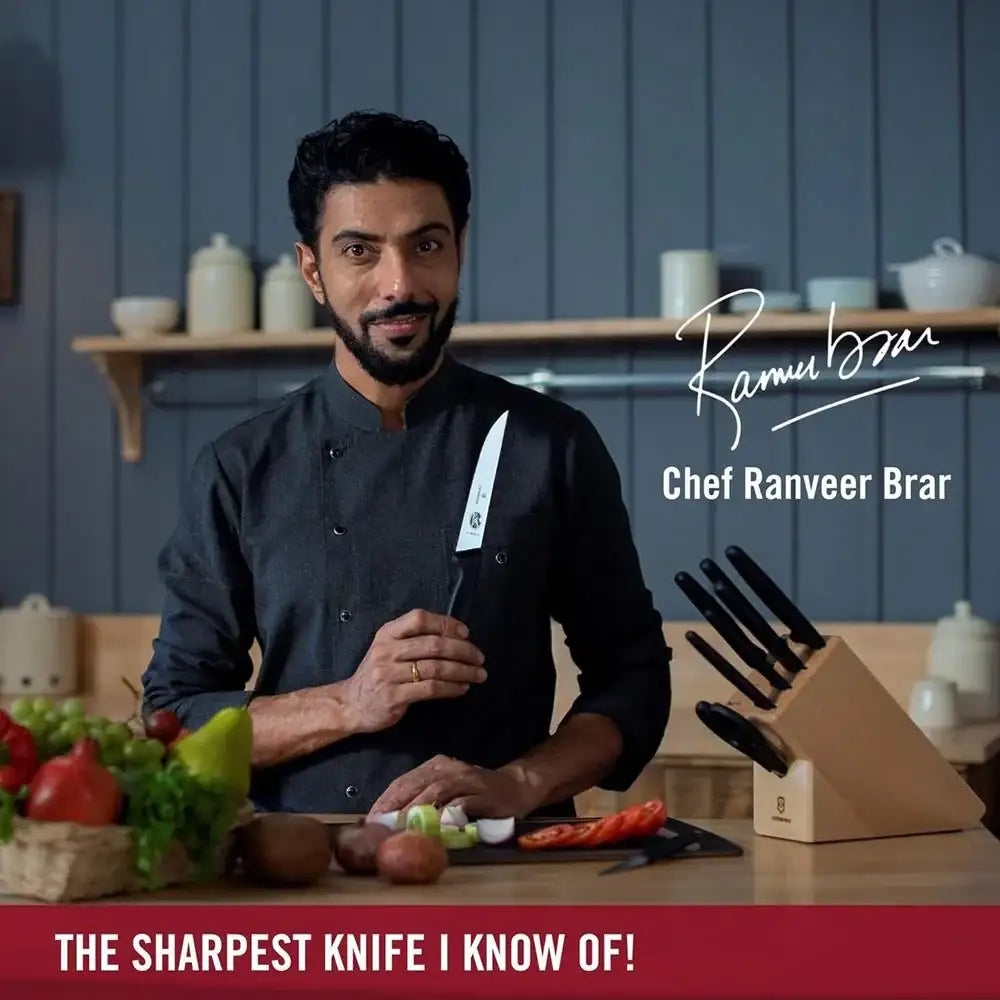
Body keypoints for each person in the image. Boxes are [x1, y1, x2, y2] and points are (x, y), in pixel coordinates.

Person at [141, 111, 672, 820]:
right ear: (313, 271)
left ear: (459, 249)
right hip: (303, 869)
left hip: (506, 878)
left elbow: (632, 678)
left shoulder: (548, 445)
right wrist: (347, 703)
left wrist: (519, 785)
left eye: (426, 245)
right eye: (360, 251)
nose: (400, 284)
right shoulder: (240, 468)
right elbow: (172, 720)